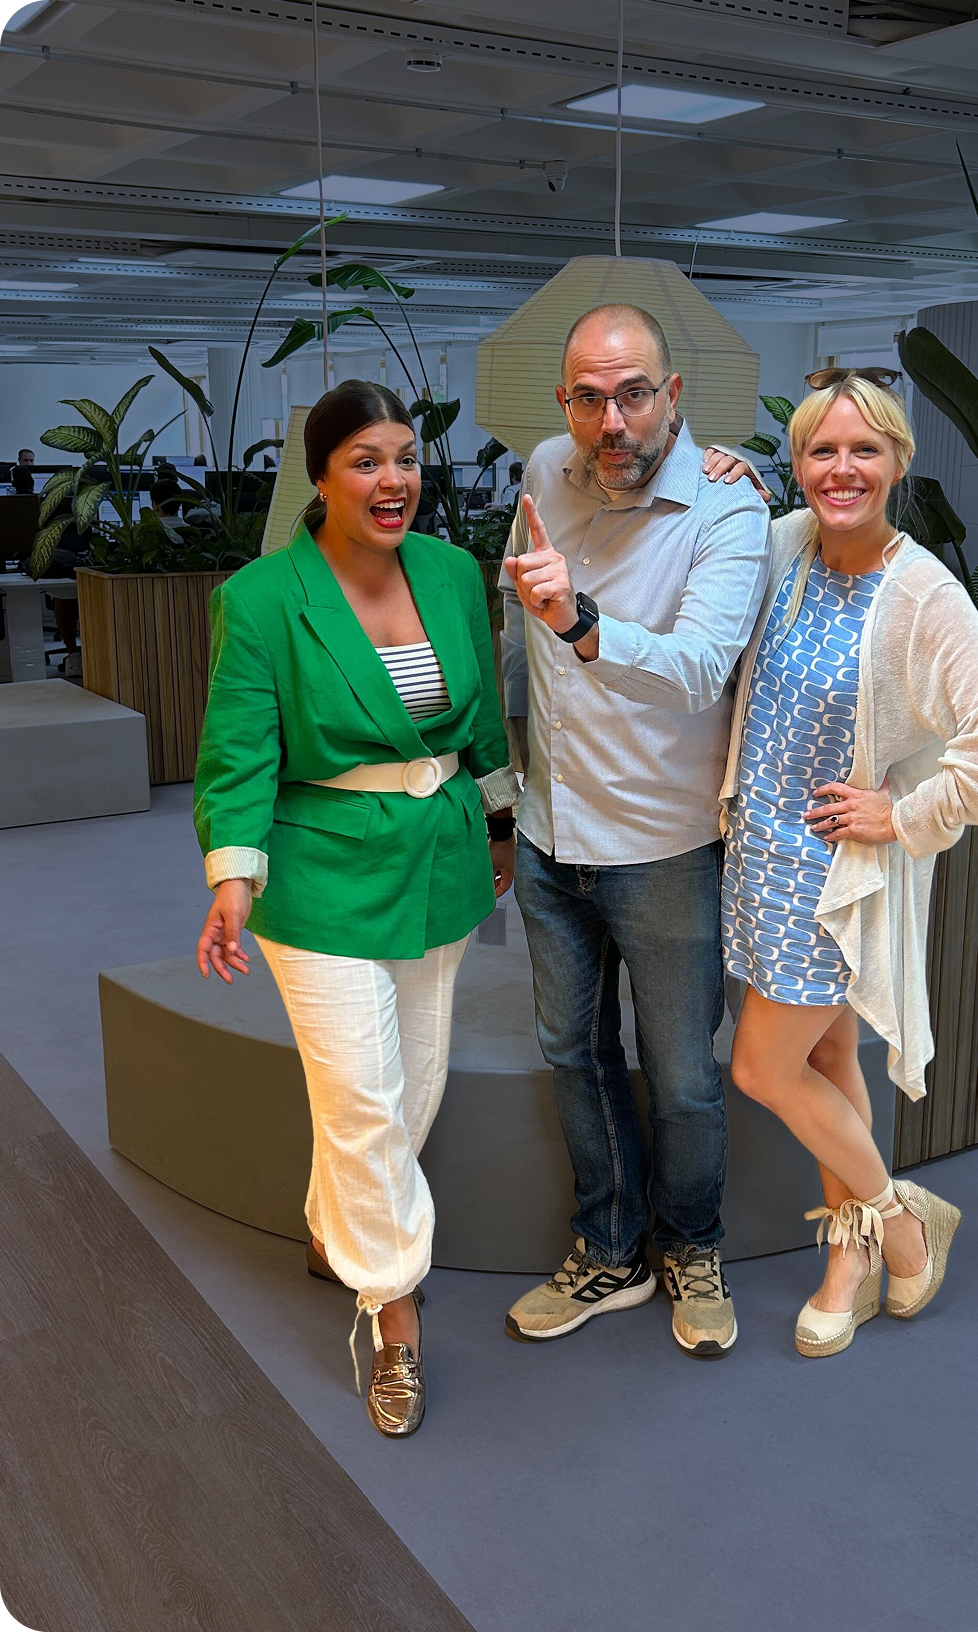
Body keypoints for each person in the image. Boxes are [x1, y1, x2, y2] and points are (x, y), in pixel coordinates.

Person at [193, 380, 518, 1436]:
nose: (394, 481)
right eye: (366, 462)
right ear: (323, 477)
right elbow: (239, 752)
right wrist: (233, 875)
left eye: (405, 459)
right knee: (364, 1100)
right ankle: (394, 1313)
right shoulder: (262, 597)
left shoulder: (452, 571)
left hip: (440, 859)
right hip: (320, 875)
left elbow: (483, 723)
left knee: (415, 1083)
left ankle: (335, 1228)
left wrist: (501, 821)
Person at [719, 368, 978, 1357]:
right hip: (758, 855)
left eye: (865, 449)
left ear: (898, 461)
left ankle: (902, 1225)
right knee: (823, 1058)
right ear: (798, 464)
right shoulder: (785, 545)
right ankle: (849, 1260)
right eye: (822, 450)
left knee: (761, 1068)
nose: (842, 469)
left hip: (831, 875)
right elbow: (714, 539)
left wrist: (902, 814)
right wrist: (717, 472)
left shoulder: (922, 592)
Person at [500, 303, 769, 1358]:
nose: (611, 422)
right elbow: (516, 641)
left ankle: (692, 1245)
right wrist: (507, 797)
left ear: (673, 394)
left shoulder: (727, 507)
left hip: (664, 849)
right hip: (550, 835)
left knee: (684, 1075)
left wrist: (582, 621)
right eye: (588, 398)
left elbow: (700, 670)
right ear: (564, 402)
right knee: (575, 1054)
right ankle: (610, 1250)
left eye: (634, 394)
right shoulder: (542, 471)